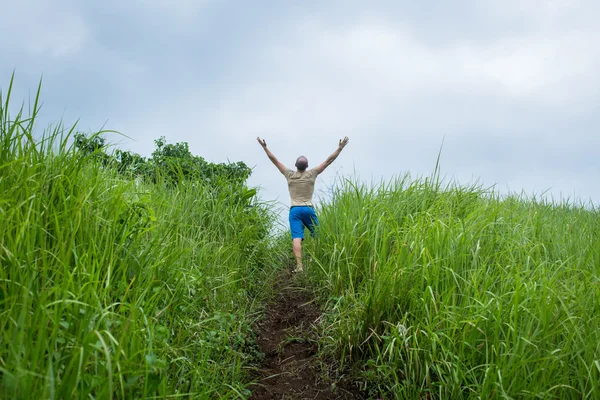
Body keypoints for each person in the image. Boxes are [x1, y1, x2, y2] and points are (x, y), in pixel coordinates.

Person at [257, 136, 350, 272]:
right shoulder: (312, 174)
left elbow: (274, 160)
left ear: (295, 166)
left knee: (296, 237)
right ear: (307, 166)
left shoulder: (289, 174)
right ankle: (313, 260)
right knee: (317, 234)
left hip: (294, 210)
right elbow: (328, 161)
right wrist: (340, 147)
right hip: (308, 209)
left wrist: (264, 147)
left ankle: (300, 266)